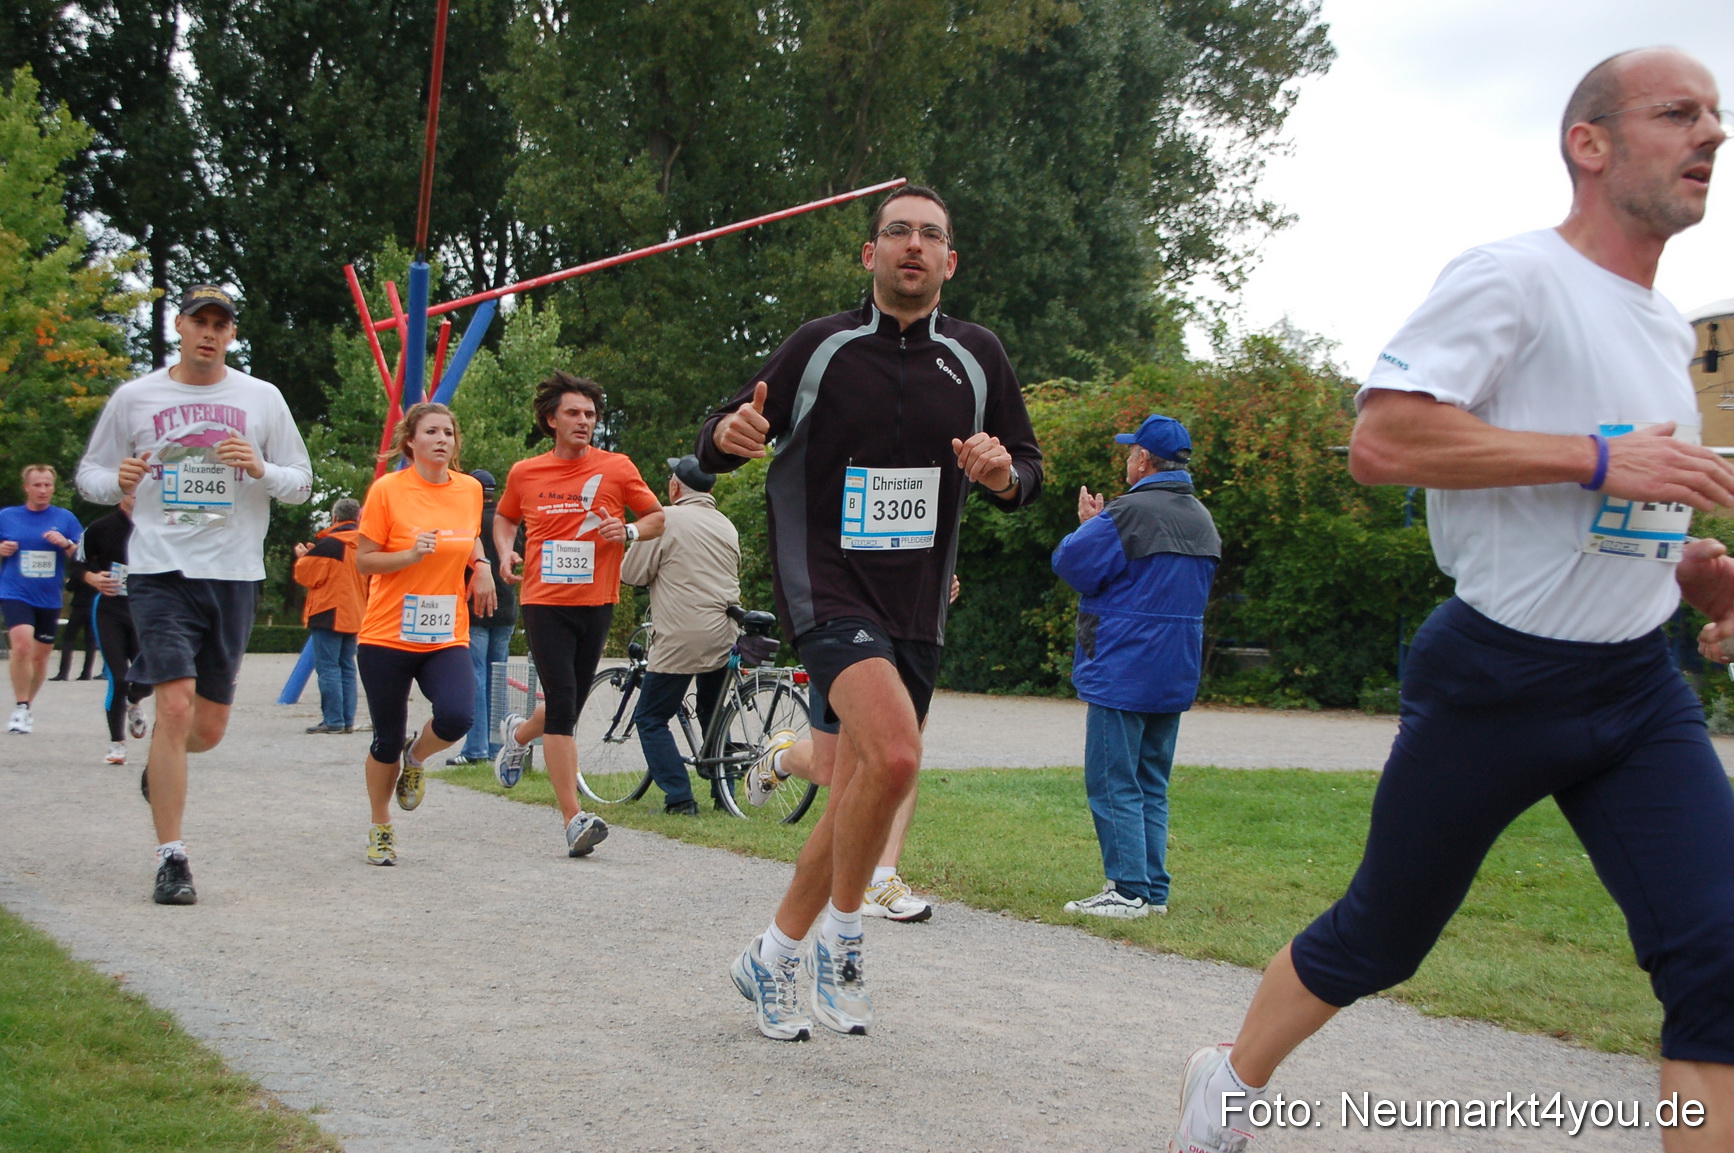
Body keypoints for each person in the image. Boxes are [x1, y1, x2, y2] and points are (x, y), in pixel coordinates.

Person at [1169, 49, 1734, 1153]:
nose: (1710, 133)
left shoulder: (1669, 333)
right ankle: (1228, 1082)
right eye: (1678, 114)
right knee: (1382, 938)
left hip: (1636, 685)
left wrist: (1693, 565)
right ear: (1591, 143)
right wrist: (1594, 459)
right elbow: (1383, 440)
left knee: (1721, 950)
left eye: (1717, 116)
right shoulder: (1513, 275)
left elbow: (1621, 506)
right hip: (1499, 678)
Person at [699, 184, 1042, 1041]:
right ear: (870, 253)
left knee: (864, 778)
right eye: (898, 232)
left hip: (918, 601)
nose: (914, 246)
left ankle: (775, 952)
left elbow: (1025, 470)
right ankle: (843, 942)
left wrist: (1002, 473)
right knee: (894, 753)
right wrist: (725, 437)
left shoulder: (977, 356)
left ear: (950, 260)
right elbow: (726, 428)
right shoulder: (822, 346)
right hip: (826, 583)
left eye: (931, 234)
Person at [76, 284, 312, 906]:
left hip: (233, 574)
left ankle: (163, 765)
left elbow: (302, 484)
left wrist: (261, 469)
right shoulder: (136, 397)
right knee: (174, 710)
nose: (209, 333)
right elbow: (90, 477)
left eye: (220, 324)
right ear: (179, 325)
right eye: (198, 321)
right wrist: (118, 478)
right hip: (158, 571)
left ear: (232, 334)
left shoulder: (261, 399)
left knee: (204, 729)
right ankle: (172, 859)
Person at [1051, 414, 1218, 920]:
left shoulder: (1130, 512)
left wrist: (1086, 527)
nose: (1126, 459)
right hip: (1175, 666)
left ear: (1143, 459)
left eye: (1130, 452)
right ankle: (1153, 889)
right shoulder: (1201, 518)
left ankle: (1126, 890)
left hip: (1123, 664)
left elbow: (1071, 564)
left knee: (1112, 779)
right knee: (1151, 782)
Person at [492, 372, 665, 856]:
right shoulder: (526, 473)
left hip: (597, 602)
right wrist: (505, 551)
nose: (584, 421)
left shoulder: (617, 467)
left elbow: (657, 517)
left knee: (569, 704)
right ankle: (574, 819)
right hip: (544, 602)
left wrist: (627, 532)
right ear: (552, 419)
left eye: (590, 414)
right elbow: (504, 516)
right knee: (564, 704)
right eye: (573, 412)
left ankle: (519, 733)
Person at [747, 570, 966, 923]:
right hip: (844, 633)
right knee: (829, 768)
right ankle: (781, 756)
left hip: (907, 635)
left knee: (900, 754)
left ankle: (881, 878)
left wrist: (936, 580)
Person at [353, 403, 494, 866]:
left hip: (445, 631)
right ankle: (380, 826)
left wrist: (483, 566)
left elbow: (468, 535)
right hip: (386, 634)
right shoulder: (387, 491)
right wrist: (409, 556)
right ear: (410, 441)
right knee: (384, 739)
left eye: (449, 432)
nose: (441, 439)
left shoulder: (470, 489)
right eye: (431, 431)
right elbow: (364, 559)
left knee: (457, 716)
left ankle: (415, 760)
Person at [619, 454, 741, 815]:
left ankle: (679, 796)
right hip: (724, 632)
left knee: (651, 716)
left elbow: (632, 573)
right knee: (713, 713)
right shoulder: (725, 524)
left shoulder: (665, 520)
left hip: (681, 636)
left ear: (674, 488)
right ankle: (726, 794)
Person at [1, 465, 83, 733]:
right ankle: (21, 706)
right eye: (37, 485)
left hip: (48, 597)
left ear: (54, 487)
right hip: (15, 591)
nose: (43, 490)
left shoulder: (65, 518)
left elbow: (84, 557)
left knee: (40, 658)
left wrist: (66, 544)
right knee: (22, 645)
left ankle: (27, 707)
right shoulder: (8, 516)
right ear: (26, 487)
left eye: (47, 485)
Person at [72, 493, 152, 764]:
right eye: (132, 490)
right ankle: (117, 743)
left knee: (147, 679)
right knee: (118, 678)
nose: (138, 495)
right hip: (110, 609)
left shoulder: (159, 526)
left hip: (147, 611)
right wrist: (92, 577)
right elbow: (77, 564)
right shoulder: (101, 528)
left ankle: (134, 701)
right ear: (121, 494)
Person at [450, 469, 516, 767]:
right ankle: (494, 745)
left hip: (475, 606)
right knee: (497, 677)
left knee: (475, 676)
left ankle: (474, 747)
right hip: (506, 607)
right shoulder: (509, 522)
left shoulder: (467, 520)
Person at [294, 497, 366, 734]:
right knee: (347, 667)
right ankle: (346, 720)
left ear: (335, 518)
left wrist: (304, 557)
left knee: (328, 668)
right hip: (355, 613)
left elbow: (307, 575)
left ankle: (333, 720)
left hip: (329, 612)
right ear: (357, 518)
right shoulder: (365, 544)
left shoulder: (331, 544)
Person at [50, 565, 98, 681]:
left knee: (68, 639)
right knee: (90, 641)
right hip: (95, 607)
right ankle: (86, 672)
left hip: (79, 606)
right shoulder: (100, 568)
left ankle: (63, 672)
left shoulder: (80, 569)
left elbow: (70, 587)